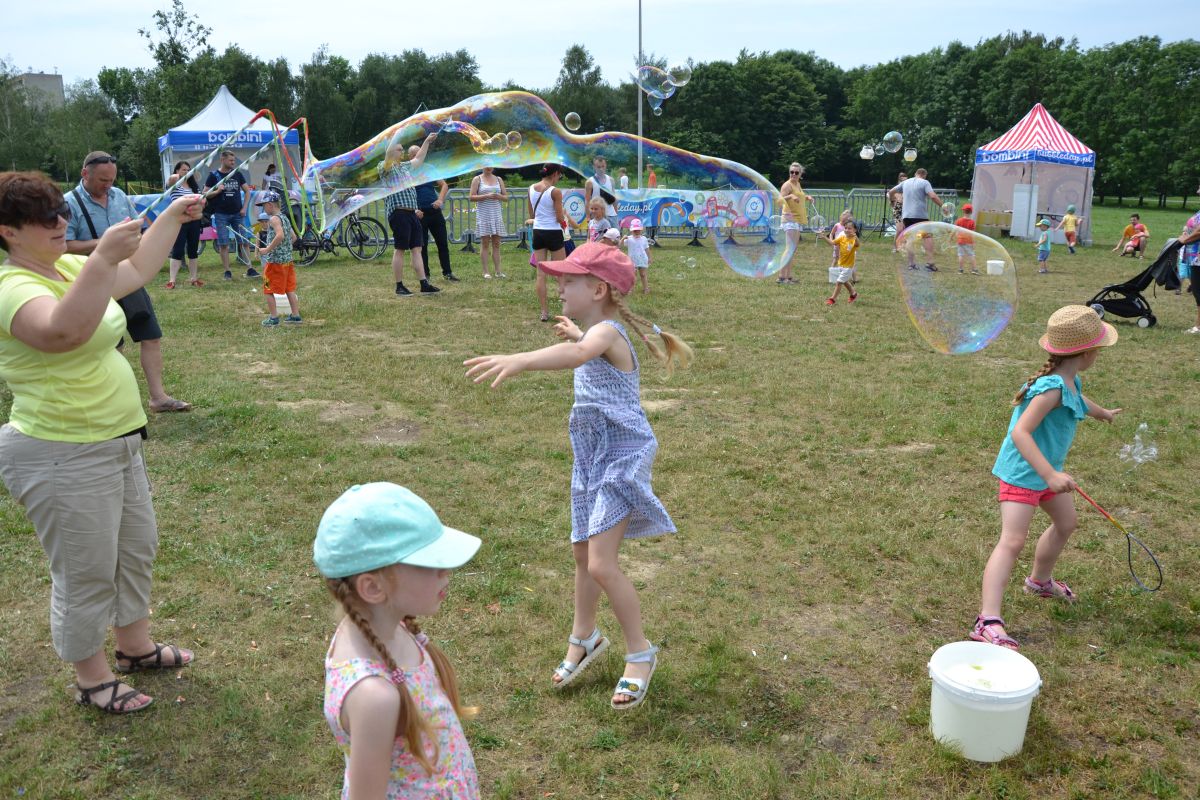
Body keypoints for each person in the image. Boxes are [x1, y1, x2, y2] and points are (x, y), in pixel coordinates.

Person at [0, 171, 201, 713]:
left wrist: (171, 216)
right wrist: (100, 258)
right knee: (85, 568)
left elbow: (134, 270)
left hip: (116, 441)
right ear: (7, 232)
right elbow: (62, 332)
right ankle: (92, 677)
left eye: (59, 211)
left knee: (134, 550)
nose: (60, 222)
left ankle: (134, 647)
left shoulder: (65, 266)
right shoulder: (11, 287)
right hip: (60, 449)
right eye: (44, 218)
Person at [464, 242, 692, 710]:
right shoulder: (597, 329)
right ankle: (585, 635)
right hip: (591, 456)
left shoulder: (606, 332)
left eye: (569, 280)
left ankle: (640, 653)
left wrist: (522, 359)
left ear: (599, 288)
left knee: (601, 564)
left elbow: (581, 353)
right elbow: (583, 346)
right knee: (581, 551)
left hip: (620, 457)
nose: (558, 286)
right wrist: (573, 330)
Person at [315, 482, 482, 798]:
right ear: (373, 588)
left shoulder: (388, 627)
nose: (446, 570)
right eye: (428, 564)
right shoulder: (374, 696)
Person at [970, 305, 1120, 650]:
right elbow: (1021, 433)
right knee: (1012, 541)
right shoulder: (1051, 388)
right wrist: (1049, 473)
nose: (1099, 353)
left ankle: (1039, 581)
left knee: (1067, 523)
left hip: (1046, 473)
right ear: (1085, 352)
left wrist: (1102, 413)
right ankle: (987, 619)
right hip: (1025, 473)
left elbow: (1078, 398)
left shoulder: (1069, 380)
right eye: (1099, 348)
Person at [64, 151, 191, 413]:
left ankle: (158, 397)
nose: (108, 185)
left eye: (111, 179)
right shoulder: (68, 203)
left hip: (129, 274)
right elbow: (64, 246)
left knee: (150, 335)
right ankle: (111, 401)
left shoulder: (120, 196)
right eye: (102, 180)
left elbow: (140, 227)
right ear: (84, 173)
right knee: (110, 343)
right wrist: (107, 244)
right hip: (92, 282)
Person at [380, 132, 441, 297]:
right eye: (399, 149)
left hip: (411, 213)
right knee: (400, 249)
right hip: (398, 212)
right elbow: (387, 157)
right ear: (391, 151)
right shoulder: (385, 167)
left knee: (417, 248)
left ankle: (424, 284)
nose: (402, 151)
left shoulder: (404, 167)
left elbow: (419, 158)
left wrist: (427, 141)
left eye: (401, 149)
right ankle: (399, 286)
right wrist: (394, 138)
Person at [203, 149, 258, 280]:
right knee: (223, 243)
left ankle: (249, 268)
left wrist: (244, 208)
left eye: (234, 160)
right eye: (230, 160)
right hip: (221, 214)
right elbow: (205, 194)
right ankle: (227, 271)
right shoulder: (213, 175)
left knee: (244, 241)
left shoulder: (237, 174)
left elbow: (247, 191)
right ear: (222, 160)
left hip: (238, 214)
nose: (233, 162)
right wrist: (216, 191)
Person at [526, 164, 569, 322]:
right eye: (559, 176)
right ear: (555, 174)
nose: (559, 179)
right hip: (553, 232)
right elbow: (559, 217)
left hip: (538, 232)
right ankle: (567, 311)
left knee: (540, 273)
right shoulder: (555, 191)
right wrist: (564, 219)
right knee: (561, 272)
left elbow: (532, 214)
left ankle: (544, 312)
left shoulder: (530, 188)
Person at [255, 191, 301, 327]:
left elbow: (280, 236)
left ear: (270, 204)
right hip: (287, 262)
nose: (264, 209)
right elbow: (293, 237)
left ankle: (273, 318)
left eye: (264, 206)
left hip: (275, 263)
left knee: (268, 289)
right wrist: (285, 250)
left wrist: (267, 249)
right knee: (289, 289)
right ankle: (295, 315)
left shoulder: (274, 219)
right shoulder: (284, 218)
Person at [891, 168, 945, 271]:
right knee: (927, 237)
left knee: (910, 238)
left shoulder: (905, 182)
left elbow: (891, 191)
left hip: (906, 216)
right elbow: (932, 196)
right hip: (920, 216)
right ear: (924, 175)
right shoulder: (925, 182)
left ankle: (911, 264)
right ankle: (930, 263)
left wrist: (892, 201)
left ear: (916, 174)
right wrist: (943, 206)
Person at [165, 160, 204, 288]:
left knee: (193, 250)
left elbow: (202, 200)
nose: (187, 172)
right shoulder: (174, 184)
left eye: (188, 170)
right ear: (177, 171)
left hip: (194, 221)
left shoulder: (193, 186)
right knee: (178, 249)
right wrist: (178, 176)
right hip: (179, 221)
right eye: (183, 169)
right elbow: (171, 180)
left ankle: (194, 278)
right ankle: (172, 280)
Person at [777, 162, 816, 285]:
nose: (793, 174)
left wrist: (807, 197)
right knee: (789, 248)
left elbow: (799, 196)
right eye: (791, 172)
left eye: (796, 172)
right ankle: (782, 277)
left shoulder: (797, 184)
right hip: (789, 219)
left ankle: (788, 277)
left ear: (800, 174)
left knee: (792, 249)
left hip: (797, 220)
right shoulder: (787, 185)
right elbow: (779, 200)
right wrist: (790, 196)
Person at [418, 178, 459, 283]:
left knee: (442, 243)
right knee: (422, 246)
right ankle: (425, 276)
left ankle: (448, 273)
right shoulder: (408, 171)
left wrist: (440, 200)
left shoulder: (428, 169)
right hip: (420, 214)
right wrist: (414, 209)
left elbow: (444, 185)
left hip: (435, 211)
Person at [468, 168, 506, 279]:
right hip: (484, 215)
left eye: (491, 165)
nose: (489, 168)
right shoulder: (477, 179)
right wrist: (486, 196)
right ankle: (485, 271)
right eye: (486, 165)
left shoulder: (499, 179)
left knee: (497, 244)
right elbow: (471, 197)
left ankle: (498, 271)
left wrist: (499, 197)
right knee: (485, 243)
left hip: (496, 215)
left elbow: (506, 197)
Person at [822, 219, 860, 305]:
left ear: (855, 230)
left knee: (839, 282)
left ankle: (832, 299)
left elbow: (857, 244)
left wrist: (855, 236)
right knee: (845, 281)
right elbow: (832, 243)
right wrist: (824, 237)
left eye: (849, 228)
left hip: (848, 267)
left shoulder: (854, 240)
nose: (846, 230)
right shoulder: (842, 237)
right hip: (841, 264)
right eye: (845, 228)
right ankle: (853, 294)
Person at [1179, 183, 1200, 333]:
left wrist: (1184, 240)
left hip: (1198, 257)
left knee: (1199, 291)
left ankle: (1198, 326)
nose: (1198, 191)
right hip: (1195, 256)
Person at [584, 156, 618, 229]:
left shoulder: (611, 180)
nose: (601, 169)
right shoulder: (590, 182)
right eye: (598, 167)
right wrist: (588, 217)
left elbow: (614, 199)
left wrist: (616, 213)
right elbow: (587, 201)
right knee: (598, 239)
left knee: (615, 238)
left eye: (603, 166)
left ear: (606, 166)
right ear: (594, 167)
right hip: (597, 216)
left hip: (611, 215)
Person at [623, 219, 651, 294]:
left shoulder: (644, 239)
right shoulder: (629, 239)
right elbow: (619, 245)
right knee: (633, 276)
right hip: (632, 260)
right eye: (634, 230)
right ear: (631, 230)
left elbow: (647, 249)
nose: (636, 232)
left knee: (643, 274)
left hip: (642, 259)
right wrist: (623, 238)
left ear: (641, 230)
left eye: (638, 230)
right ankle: (631, 289)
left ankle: (646, 288)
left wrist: (649, 257)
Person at [955, 203, 978, 274]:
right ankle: (974, 269)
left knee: (961, 255)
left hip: (960, 241)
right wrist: (974, 243)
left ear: (963, 211)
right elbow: (972, 234)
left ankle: (960, 270)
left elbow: (955, 230)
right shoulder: (972, 222)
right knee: (971, 255)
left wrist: (952, 237)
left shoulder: (959, 220)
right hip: (969, 241)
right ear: (971, 212)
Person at [890, 171, 907, 252]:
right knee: (899, 229)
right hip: (897, 212)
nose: (904, 182)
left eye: (905, 180)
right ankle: (895, 247)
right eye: (902, 180)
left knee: (905, 230)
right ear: (899, 181)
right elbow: (890, 195)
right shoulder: (896, 190)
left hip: (906, 211)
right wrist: (892, 201)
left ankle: (903, 246)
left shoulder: (907, 189)